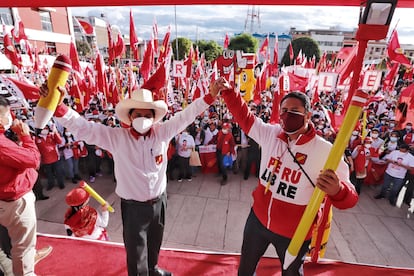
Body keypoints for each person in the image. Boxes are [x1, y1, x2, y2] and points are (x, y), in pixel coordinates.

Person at [40, 79, 222, 276]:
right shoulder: (116, 138)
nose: (142, 118)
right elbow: (84, 128)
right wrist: (58, 107)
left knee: (155, 242)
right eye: (138, 114)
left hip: (159, 203)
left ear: (154, 118)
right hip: (134, 207)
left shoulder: (162, 133)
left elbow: (186, 116)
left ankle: (152, 269)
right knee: (136, 254)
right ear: (129, 116)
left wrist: (209, 96)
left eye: (147, 115)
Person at [211, 80, 359, 275]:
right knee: (245, 269)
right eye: (284, 110)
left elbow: (350, 198)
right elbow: (245, 117)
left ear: (307, 115)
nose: (288, 114)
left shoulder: (326, 151)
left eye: (295, 110)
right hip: (257, 221)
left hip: (295, 234)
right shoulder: (270, 134)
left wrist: (337, 191)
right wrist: (228, 92)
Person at [0, 96, 40, 275]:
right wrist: (25, 136)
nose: (11, 116)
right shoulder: (1, 145)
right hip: (15, 202)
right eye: (8, 112)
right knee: (22, 249)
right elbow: (33, 159)